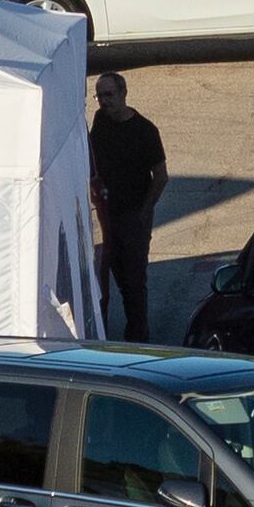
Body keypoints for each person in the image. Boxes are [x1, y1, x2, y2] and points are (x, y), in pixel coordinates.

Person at [88, 74, 168, 338]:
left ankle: (138, 333)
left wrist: (144, 212)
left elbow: (161, 175)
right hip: (106, 214)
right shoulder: (100, 122)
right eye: (100, 96)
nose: (104, 101)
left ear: (123, 93)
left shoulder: (145, 131)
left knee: (133, 278)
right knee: (110, 273)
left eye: (109, 95)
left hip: (133, 215)